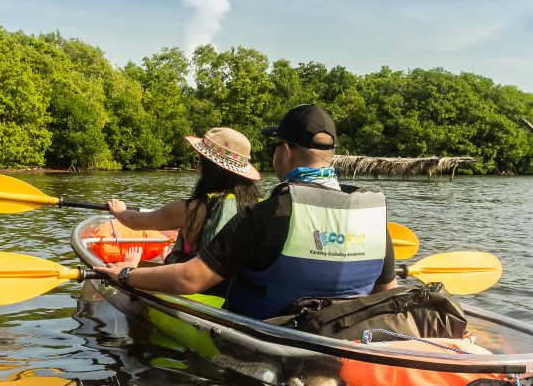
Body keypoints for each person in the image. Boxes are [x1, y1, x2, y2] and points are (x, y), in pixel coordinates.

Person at [95, 104, 397, 319]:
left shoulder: (266, 216)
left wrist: (125, 274)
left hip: (261, 333)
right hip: (341, 331)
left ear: (287, 152)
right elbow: (386, 292)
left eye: (274, 147)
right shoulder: (370, 215)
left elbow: (189, 280)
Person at [105, 127, 262, 267]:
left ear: (211, 168)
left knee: (165, 259)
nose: (197, 166)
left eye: (199, 160)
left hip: (192, 291)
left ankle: (133, 265)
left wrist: (119, 211)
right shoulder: (260, 205)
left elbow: (134, 221)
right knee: (169, 257)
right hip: (235, 290)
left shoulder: (191, 210)